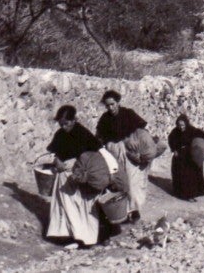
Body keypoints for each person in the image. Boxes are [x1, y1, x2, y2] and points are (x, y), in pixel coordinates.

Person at [45, 105, 102, 249]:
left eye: (67, 123)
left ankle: (84, 238)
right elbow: (54, 152)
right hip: (63, 179)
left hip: (80, 178)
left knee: (80, 206)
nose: (64, 127)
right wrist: (57, 160)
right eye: (61, 124)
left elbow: (92, 156)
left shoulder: (83, 134)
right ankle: (67, 235)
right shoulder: (60, 134)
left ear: (74, 120)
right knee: (65, 206)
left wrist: (75, 166)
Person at [95, 90, 150, 222]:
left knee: (132, 182)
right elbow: (99, 136)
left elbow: (142, 128)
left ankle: (134, 210)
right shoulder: (104, 119)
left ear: (118, 102)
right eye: (107, 105)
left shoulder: (128, 114)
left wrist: (140, 145)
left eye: (113, 104)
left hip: (129, 151)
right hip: (112, 152)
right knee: (117, 182)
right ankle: (120, 213)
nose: (110, 108)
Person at [167, 113, 204, 201]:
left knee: (190, 174)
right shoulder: (175, 131)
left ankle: (191, 195)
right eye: (179, 125)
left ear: (186, 123)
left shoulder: (192, 130)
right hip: (179, 155)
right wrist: (174, 149)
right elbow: (170, 139)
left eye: (182, 125)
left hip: (189, 155)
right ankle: (179, 193)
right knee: (178, 173)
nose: (181, 127)